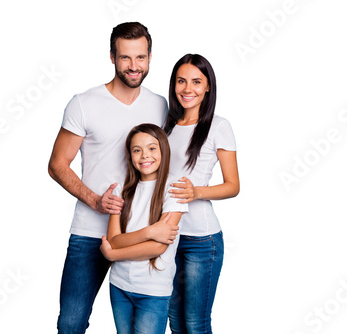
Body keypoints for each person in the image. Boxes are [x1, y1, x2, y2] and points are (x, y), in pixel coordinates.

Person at [47, 22, 171, 334]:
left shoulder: (159, 105)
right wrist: (95, 200)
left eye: (140, 58)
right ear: (112, 57)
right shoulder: (84, 103)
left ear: (150, 57)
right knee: (71, 324)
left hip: (141, 233)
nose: (134, 66)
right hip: (91, 231)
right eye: (126, 58)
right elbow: (58, 164)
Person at [165, 54, 240, 333]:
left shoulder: (219, 126)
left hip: (201, 240)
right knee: (175, 318)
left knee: (196, 323)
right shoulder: (167, 125)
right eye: (181, 81)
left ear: (208, 87)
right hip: (167, 236)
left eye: (196, 82)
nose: (188, 89)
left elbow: (233, 185)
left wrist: (197, 192)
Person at [100, 123, 188, 334]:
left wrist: (113, 254)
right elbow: (113, 240)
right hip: (119, 285)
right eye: (136, 150)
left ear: (163, 151)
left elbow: (157, 248)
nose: (144, 155)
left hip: (152, 291)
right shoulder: (121, 188)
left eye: (151, 148)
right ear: (130, 156)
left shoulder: (174, 189)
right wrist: (149, 232)